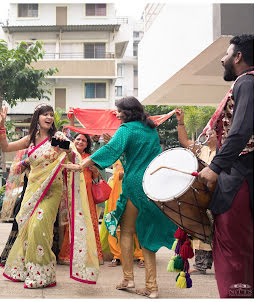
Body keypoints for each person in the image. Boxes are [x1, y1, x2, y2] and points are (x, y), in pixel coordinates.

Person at [64, 97, 177, 298]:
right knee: (146, 233)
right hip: (151, 185)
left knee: (126, 231)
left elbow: (110, 150)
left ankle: (128, 278)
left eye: (118, 111)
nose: (116, 114)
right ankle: (152, 286)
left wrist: (81, 165)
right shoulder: (150, 130)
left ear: (127, 111)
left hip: (133, 184)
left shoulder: (126, 130)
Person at [0, 104, 99, 288]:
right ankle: (29, 269)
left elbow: (72, 156)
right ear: (37, 117)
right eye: (45, 114)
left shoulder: (56, 139)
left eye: (51, 114)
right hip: (32, 190)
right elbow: (5, 147)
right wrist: (2, 125)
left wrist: (68, 148)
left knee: (38, 227)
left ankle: (43, 275)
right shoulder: (30, 140)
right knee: (28, 229)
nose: (49, 117)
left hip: (52, 190)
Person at [198, 34, 254, 298]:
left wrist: (215, 166)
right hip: (241, 174)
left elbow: (241, 131)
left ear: (238, 57)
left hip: (240, 176)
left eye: (227, 54)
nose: (223, 59)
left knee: (235, 249)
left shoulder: (248, 82)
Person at [175, 109, 215, 275]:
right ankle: (200, 265)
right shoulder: (202, 149)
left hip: (218, 196)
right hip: (202, 197)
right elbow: (184, 141)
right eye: (207, 132)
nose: (208, 134)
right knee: (201, 228)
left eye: (211, 132)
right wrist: (181, 122)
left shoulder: (225, 151)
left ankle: (210, 264)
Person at [57, 133, 104, 265]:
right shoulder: (66, 156)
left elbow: (95, 178)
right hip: (71, 196)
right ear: (73, 141)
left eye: (84, 140)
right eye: (78, 139)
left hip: (87, 197)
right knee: (71, 225)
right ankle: (68, 256)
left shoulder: (90, 158)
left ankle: (92, 256)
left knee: (90, 224)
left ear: (87, 144)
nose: (80, 142)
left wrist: (94, 170)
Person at [100, 160, 145, 268]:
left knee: (137, 226)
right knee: (115, 226)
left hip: (133, 193)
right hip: (116, 193)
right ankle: (117, 255)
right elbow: (119, 174)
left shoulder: (137, 155)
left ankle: (141, 256)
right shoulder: (117, 156)